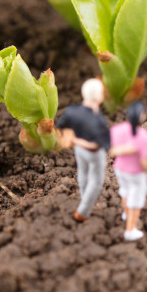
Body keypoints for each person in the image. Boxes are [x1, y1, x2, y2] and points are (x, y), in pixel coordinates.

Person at [55, 78, 111, 222]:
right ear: (99, 96)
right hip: (93, 152)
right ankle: (83, 211)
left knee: (83, 173)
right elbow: (103, 143)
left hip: (79, 150)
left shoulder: (72, 111)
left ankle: (84, 197)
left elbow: (60, 125)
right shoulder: (98, 121)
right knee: (96, 182)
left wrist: (71, 140)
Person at [108, 101, 147, 242]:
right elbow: (145, 161)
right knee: (136, 200)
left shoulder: (118, 129)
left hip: (120, 169)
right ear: (142, 116)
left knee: (125, 191)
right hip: (136, 173)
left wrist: (124, 149)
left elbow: (110, 149)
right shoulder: (143, 136)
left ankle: (126, 214)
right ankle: (130, 230)